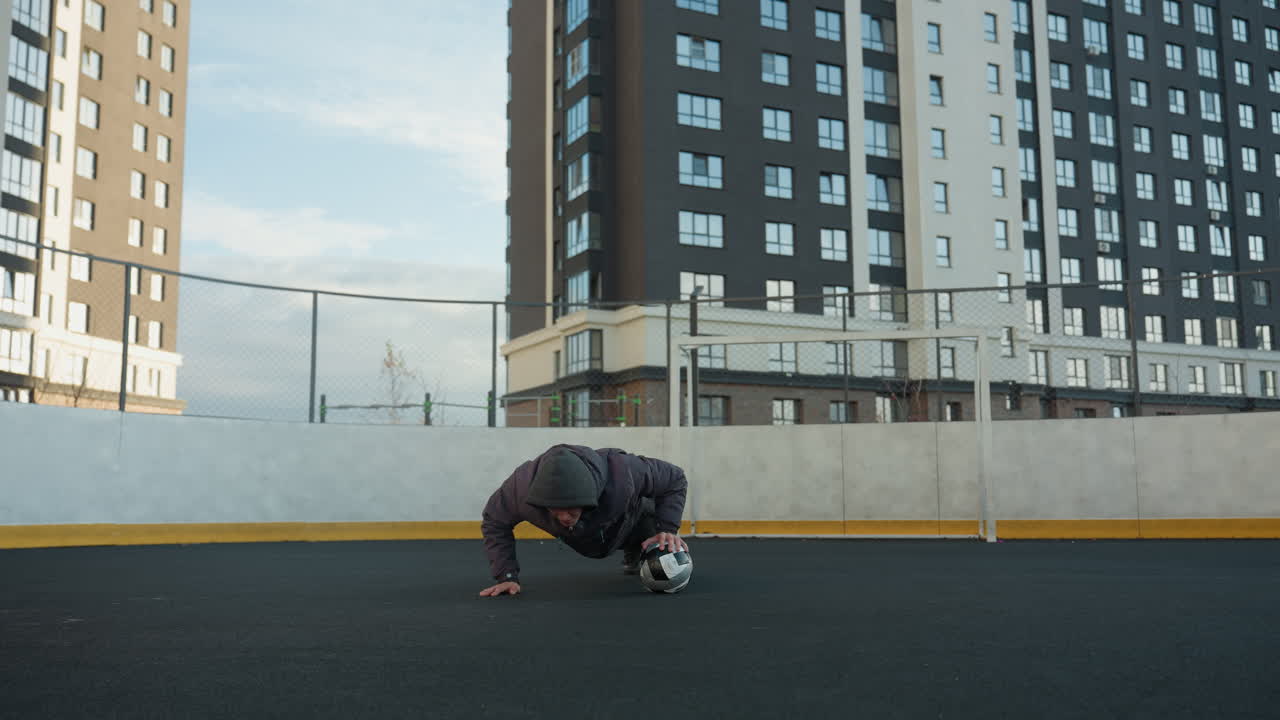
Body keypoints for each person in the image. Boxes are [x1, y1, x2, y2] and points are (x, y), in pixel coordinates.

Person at [478, 443, 689, 597]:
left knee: (648, 506)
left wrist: (668, 528)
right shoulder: (520, 491)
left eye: (570, 510)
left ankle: (638, 547)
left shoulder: (624, 472)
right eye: (555, 510)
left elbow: (675, 478)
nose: (563, 518)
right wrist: (506, 576)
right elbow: (494, 521)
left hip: (627, 520)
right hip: (589, 537)